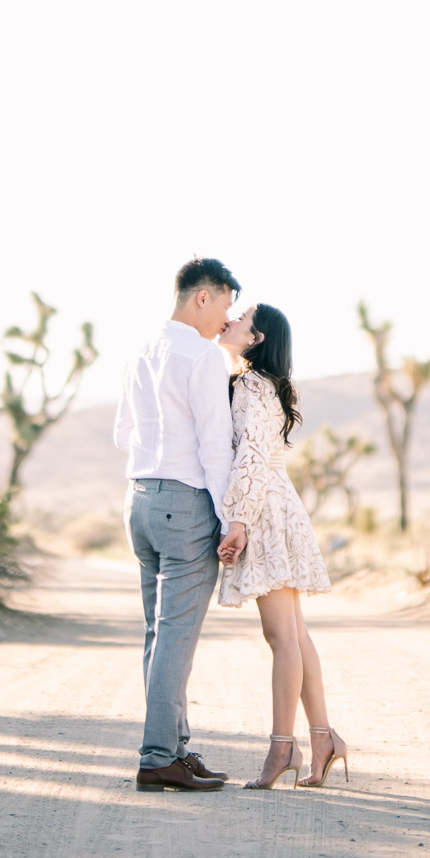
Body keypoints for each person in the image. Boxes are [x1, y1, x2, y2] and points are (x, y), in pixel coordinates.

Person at [114, 257, 245, 792]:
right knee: (175, 635)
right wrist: (228, 517)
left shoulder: (144, 350)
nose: (225, 320)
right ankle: (158, 756)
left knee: (157, 633)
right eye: (226, 306)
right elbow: (216, 446)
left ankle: (176, 748)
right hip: (185, 502)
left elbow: (124, 432)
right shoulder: (203, 356)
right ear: (203, 297)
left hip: (140, 500)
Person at [217, 303, 348, 790]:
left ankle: (282, 747)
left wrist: (239, 520)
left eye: (242, 318)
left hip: (265, 511)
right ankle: (322, 738)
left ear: (255, 338)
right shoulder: (267, 384)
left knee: (282, 638)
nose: (231, 319)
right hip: (280, 503)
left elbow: (249, 456)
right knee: (295, 634)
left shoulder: (251, 385)